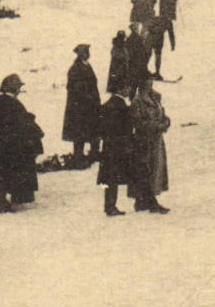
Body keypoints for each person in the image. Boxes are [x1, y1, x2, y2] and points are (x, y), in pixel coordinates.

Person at [0, 74, 43, 213]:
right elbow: (23, 126)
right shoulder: (15, 105)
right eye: (18, 87)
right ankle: (14, 199)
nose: (19, 90)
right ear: (14, 89)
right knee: (14, 171)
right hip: (11, 148)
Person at [128, 78, 171, 213]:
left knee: (155, 170)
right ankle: (149, 201)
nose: (149, 84)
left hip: (156, 140)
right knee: (147, 171)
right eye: (147, 82)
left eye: (150, 82)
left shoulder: (155, 98)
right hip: (144, 142)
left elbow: (162, 114)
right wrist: (157, 126)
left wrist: (166, 122)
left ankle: (143, 201)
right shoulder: (137, 102)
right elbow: (137, 123)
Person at [96, 82, 134, 216]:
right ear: (121, 88)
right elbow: (127, 127)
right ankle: (111, 206)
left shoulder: (107, 104)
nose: (129, 89)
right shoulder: (121, 106)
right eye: (127, 87)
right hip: (118, 147)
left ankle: (109, 205)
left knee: (108, 177)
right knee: (113, 176)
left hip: (108, 146)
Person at [62, 43, 102, 160]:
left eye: (88, 52)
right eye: (85, 52)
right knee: (79, 132)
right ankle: (78, 156)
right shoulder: (75, 69)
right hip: (80, 108)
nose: (87, 54)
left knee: (90, 130)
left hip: (89, 105)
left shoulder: (87, 66)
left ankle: (93, 154)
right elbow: (75, 88)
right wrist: (88, 98)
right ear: (80, 55)